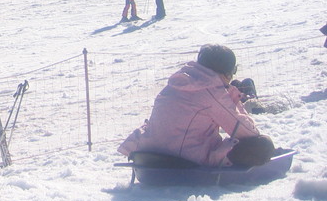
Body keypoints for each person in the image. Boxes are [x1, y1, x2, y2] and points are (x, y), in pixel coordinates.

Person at [118, 44, 275, 167]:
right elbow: (247, 132)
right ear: (225, 72)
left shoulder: (178, 82)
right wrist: (235, 102)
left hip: (149, 152)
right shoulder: (212, 90)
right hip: (186, 159)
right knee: (263, 145)